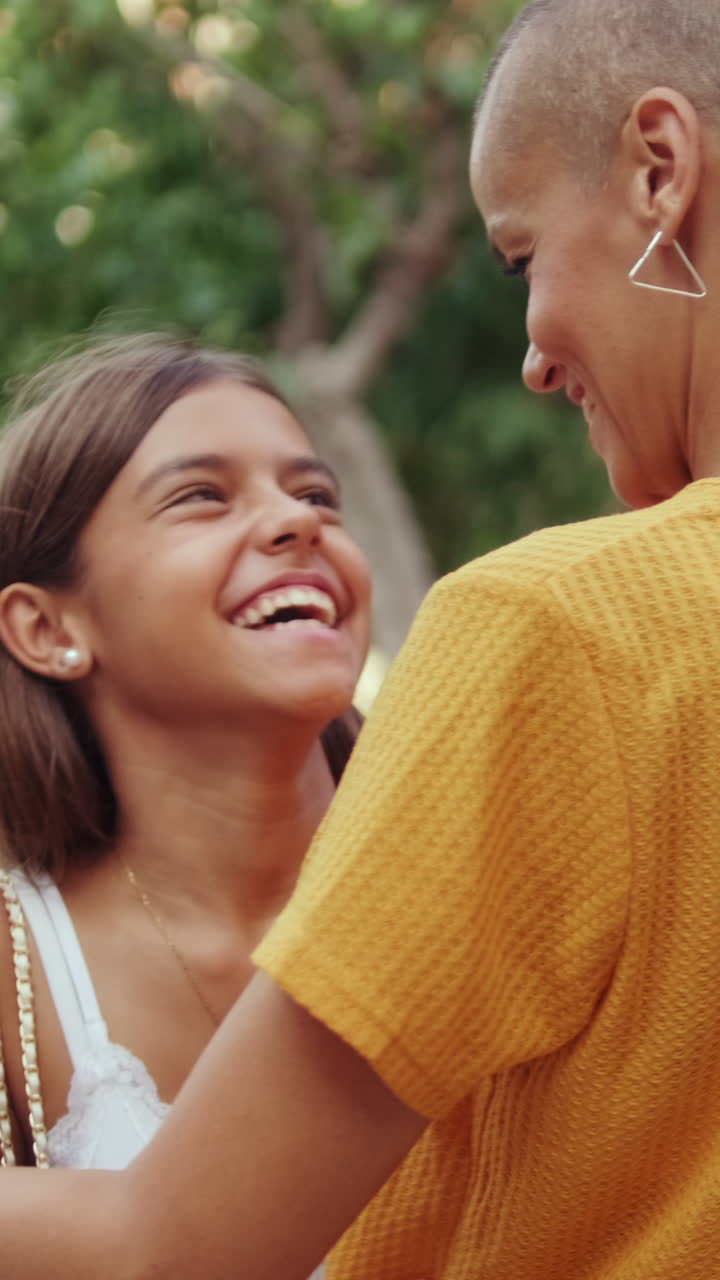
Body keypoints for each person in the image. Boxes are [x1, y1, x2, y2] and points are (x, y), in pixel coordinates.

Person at [4, 0, 720, 1275]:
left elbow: (170, 1246)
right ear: (41, 624)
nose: (532, 360)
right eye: (200, 496)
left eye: (520, 257)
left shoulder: (559, 633)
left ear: (661, 170)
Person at [0, 333, 370, 1272]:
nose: (295, 522)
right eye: (201, 496)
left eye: (316, 495)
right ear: (47, 628)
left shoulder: (486, 866)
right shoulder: (17, 964)